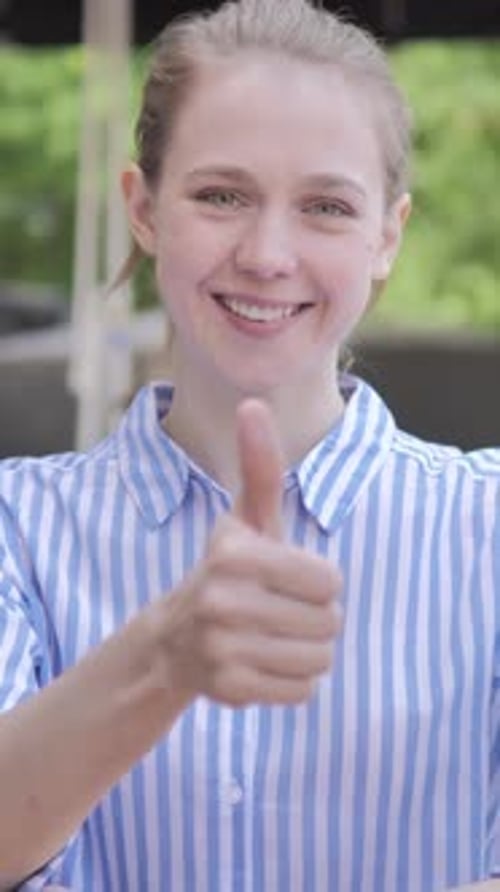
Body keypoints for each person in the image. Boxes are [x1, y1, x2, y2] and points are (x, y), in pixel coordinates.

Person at [0, 0, 499, 889]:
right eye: (221, 195)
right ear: (143, 209)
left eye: (326, 207)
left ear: (389, 234)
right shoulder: (17, 528)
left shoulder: (489, 529)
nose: (268, 254)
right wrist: (163, 659)